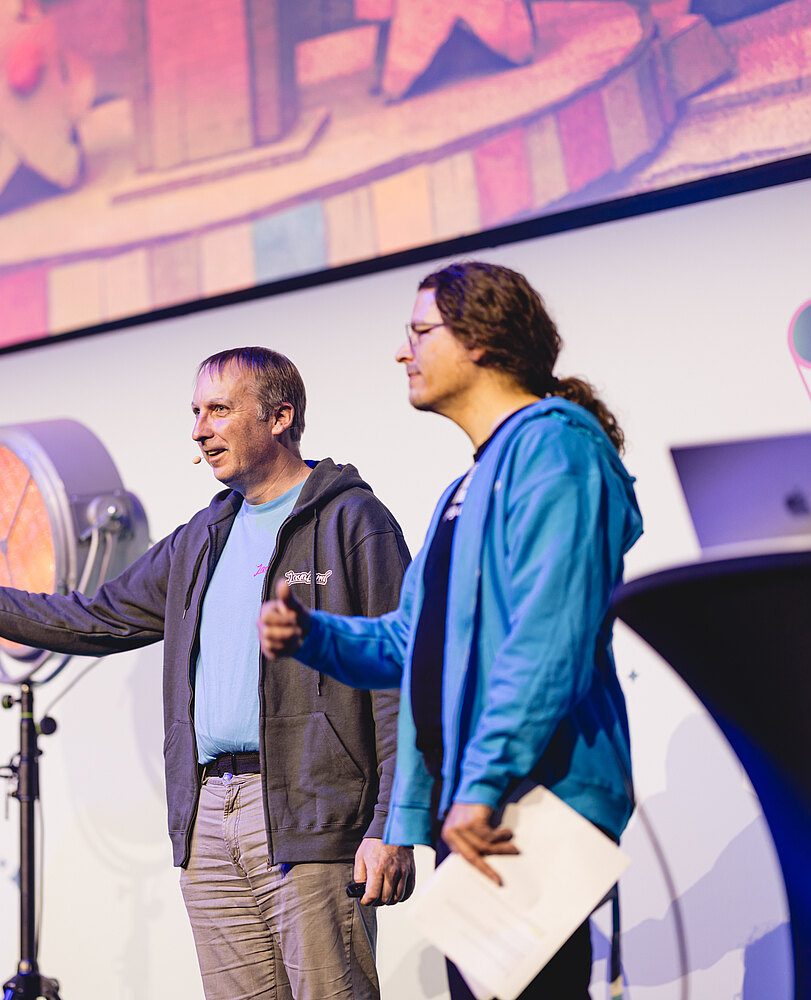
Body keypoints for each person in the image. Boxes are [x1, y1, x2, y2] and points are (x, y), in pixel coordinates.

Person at [0, 346, 415, 1000]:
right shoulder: (201, 539)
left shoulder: (351, 521)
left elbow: (401, 679)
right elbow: (91, 616)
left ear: (280, 417)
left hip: (313, 818)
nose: (199, 429)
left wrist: (392, 824)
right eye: (195, 412)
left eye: (218, 410)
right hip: (210, 820)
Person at [258, 262, 643, 999]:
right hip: (479, 802)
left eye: (420, 331)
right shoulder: (465, 486)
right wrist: (312, 635)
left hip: (534, 799)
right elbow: (411, 644)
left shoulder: (558, 450)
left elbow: (546, 644)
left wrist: (483, 783)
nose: (402, 351)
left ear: (480, 340)